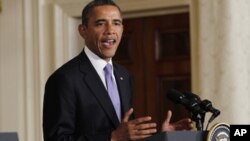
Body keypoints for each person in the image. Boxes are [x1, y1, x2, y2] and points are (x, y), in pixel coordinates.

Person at [42, 0, 193, 141]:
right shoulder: (65, 79)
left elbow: (128, 134)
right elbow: (56, 138)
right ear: (83, 31)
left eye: (116, 23)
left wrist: (163, 136)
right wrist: (112, 138)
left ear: (122, 29)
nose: (110, 30)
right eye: (100, 23)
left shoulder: (124, 75)